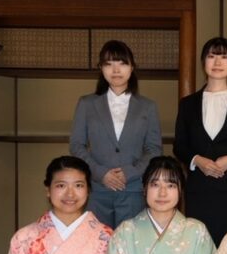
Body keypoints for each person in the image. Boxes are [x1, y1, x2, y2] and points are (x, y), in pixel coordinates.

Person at [174, 37, 227, 246]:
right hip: (199, 189)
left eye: (224, 57)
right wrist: (197, 160)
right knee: (198, 245)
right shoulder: (187, 104)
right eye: (212, 56)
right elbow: (180, 145)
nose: (217, 62)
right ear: (203, 62)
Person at [69, 40, 162, 228]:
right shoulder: (87, 104)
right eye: (109, 64)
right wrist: (100, 173)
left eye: (122, 63)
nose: (116, 70)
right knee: (97, 243)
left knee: (131, 243)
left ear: (132, 67)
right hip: (97, 190)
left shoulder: (147, 106)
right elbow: (77, 146)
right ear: (101, 68)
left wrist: (130, 173)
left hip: (133, 190)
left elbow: (154, 149)